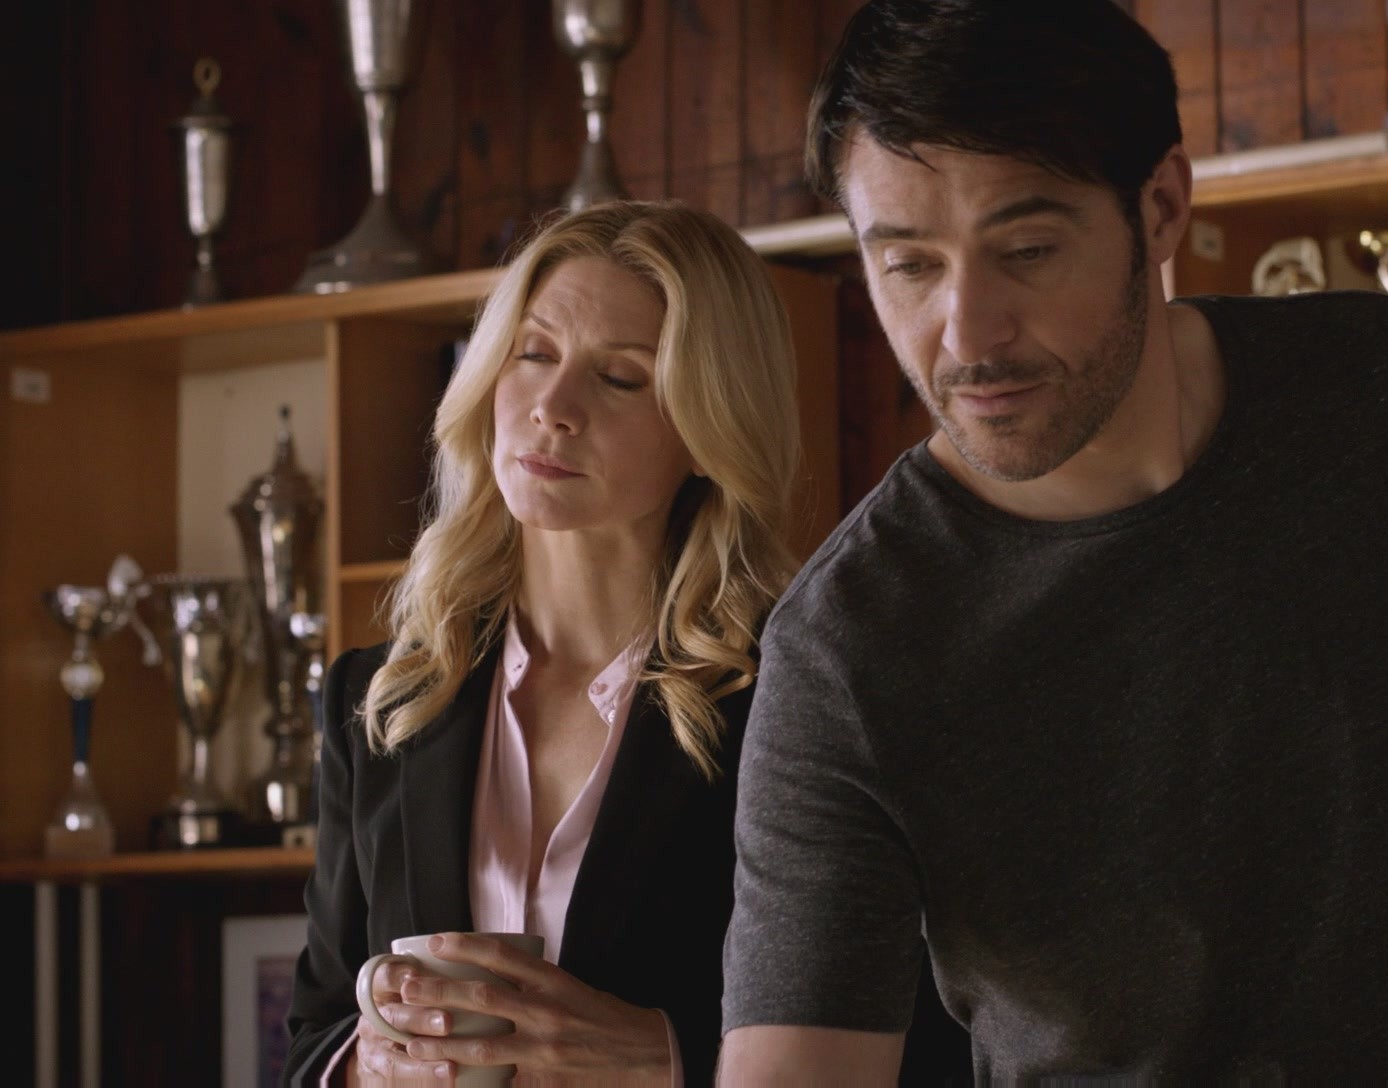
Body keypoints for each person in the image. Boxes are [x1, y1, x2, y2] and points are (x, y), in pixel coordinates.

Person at [717, 1, 1388, 1082]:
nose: (967, 332)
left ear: (1162, 206)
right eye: (909, 266)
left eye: (1027, 249)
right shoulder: (847, 648)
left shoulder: (1387, 393)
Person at [284, 201, 967, 1085]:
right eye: (533, 354)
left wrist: (668, 1060)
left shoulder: (802, 695)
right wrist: (365, 1064)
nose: (553, 408)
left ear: (708, 428)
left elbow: (944, 1041)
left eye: (620, 377)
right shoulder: (379, 699)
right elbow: (313, 1036)